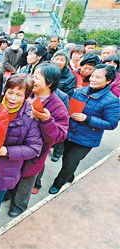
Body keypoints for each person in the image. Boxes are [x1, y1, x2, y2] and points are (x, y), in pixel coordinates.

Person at [8, 63, 69, 217]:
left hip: (35, 152)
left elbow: (59, 136)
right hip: (17, 145)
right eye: (32, 75)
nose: (32, 79)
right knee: (12, 172)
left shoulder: (57, 105)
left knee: (26, 180)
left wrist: (47, 120)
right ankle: (8, 195)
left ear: (49, 83)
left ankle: (19, 206)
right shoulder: (27, 93)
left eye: (36, 77)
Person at [0, 74, 42, 227]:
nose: (12, 98)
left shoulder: (29, 116)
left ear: (27, 96)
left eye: (19, 94)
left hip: (7, 164)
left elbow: (35, 148)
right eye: (10, 92)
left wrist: (7, 151)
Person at [49, 64, 119, 194]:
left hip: (86, 138)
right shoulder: (80, 91)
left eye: (98, 77)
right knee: (66, 159)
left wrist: (87, 119)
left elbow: (111, 124)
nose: (93, 79)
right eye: (92, 76)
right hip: (70, 132)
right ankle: (69, 175)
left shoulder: (113, 101)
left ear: (108, 81)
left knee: (70, 162)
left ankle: (58, 184)